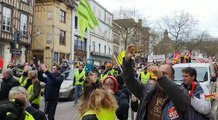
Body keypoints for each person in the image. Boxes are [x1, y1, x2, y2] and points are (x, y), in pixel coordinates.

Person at [123, 45, 208, 120]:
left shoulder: (181, 93)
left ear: (173, 77)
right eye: (159, 72)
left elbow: (183, 102)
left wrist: (161, 78)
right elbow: (130, 82)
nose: (160, 75)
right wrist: (127, 62)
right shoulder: (148, 90)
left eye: (165, 74)